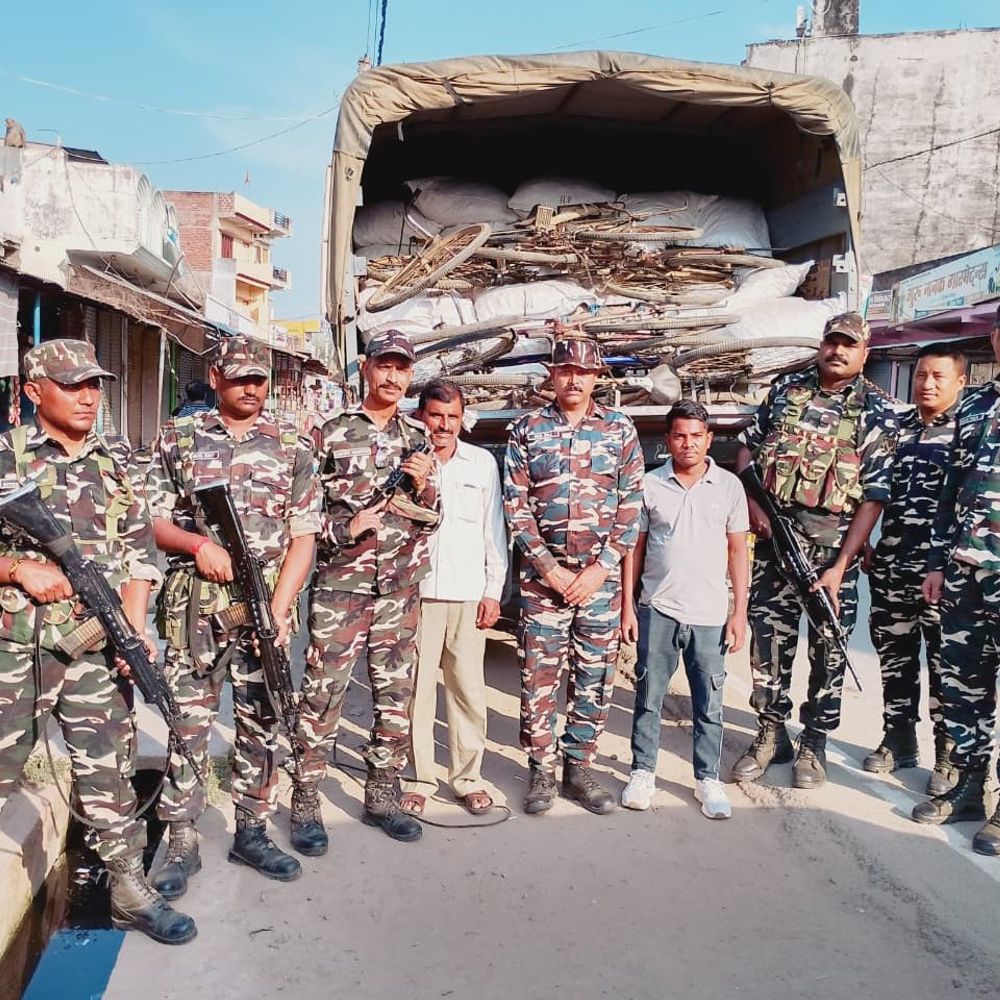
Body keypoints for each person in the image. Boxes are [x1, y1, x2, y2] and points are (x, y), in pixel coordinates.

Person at [0, 340, 195, 945]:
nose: (88, 396)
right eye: (73, 385)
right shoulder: (5, 458)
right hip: (18, 647)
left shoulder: (118, 462)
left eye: (94, 385)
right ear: (34, 391)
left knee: (108, 768)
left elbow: (140, 552)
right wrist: (16, 569)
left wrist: (133, 629)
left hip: (96, 647)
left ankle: (128, 889)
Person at [146, 335, 320, 899]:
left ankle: (252, 830)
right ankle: (181, 837)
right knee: (188, 719)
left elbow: (304, 536)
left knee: (264, 717)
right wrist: (197, 544)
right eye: (240, 377)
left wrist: (280, 608)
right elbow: (151, 521)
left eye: (259, 379)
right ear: (216, 378)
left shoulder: (292, 444)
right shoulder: (180, 437)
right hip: (198, 604)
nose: (251, 387)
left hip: (265, 601)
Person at [731, 312, 899, 789]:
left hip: (828, 558)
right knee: (769, 643)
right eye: (832, 342)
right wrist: (752, 505)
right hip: (774, 545)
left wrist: (841, 567)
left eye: (849, 345)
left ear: (864, 353)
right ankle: (770, 733)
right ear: (822, 345)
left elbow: (873, 498)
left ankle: (814, 743)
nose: (838, 351)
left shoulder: (875, 411)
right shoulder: (786, 391)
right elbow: (746, 450)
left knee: (829, 650)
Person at [298, 329, 438, 843]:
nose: (393, 377)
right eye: (385, 365)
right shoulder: (329, 432)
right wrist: (346, 528)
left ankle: (382, 795)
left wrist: (423, 486)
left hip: (399, 588)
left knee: (394, 695)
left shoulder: (418, 438)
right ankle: (306, 799)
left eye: (402, 368)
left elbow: (434, 517)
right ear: (367, 368)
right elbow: (302, 515)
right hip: (342, 586)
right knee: (322, 693)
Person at [504, 337, 644, 815]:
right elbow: (516, 505)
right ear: (552, 373)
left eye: (583, 372)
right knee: (539, 676)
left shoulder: (619, 429)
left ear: (596, 376)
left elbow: (631, 504)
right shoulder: (527, 429)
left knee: (594, 676)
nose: (573, 379)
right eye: (565, 370)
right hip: (543, 582)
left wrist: (602, 568)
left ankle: (578, 767)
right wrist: (548, 568)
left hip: (599, 583)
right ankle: (542, 770)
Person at [620, 400, 749, 819]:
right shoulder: (650, 484)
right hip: (658, 608)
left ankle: (707, 779)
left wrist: (738, 612)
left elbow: (738, 552)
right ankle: (642, 772)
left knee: (708, 703)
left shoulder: (729, 486)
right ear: (668, 440)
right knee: (648, 696)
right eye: (679, 436)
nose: (688, 443)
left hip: (710, 615)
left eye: (696, 436)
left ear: (709, 439)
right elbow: (634, 550)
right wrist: (628, 607)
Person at [913, 306, 1000, 856]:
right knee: (964, 687)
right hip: (967, 571)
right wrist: (938, 562)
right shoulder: (976, 406)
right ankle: (969, 786)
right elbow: (951, 489)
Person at [399, 379, 508, 817]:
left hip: (466, 594)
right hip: (418, 594)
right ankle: (419, 779)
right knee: (417, 691)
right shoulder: (406, 460)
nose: (443, 425)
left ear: (462, 420)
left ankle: (467, 778)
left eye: (452, 417)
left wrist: (492, 591)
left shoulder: (480, 464)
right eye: (436, 416)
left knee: (468, 691)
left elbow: (493, 528)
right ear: (420, 416)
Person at [862, 343, 966, 789]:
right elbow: (870, 489)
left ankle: (949, 756)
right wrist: (865, 541)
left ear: (960, 382)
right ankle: (898, 739)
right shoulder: (896, 428)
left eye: (938, 376)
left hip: (944, 574)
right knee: (895, 660)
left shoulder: (969, 432)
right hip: (891, 566)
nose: (927, 384)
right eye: (921, 374)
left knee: (947, 666)